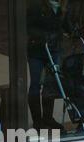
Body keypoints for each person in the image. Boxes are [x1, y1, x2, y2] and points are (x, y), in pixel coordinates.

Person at [27, 0, 70, 131]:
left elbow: (65, 25)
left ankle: (48, 118)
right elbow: (29, 26)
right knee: (35, 84)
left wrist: (73, 30)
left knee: (51, 83)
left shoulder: (61, 7)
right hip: (37, 50)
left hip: (54, 48)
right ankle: (37, 121)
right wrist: (41, 36)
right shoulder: (36, 6)